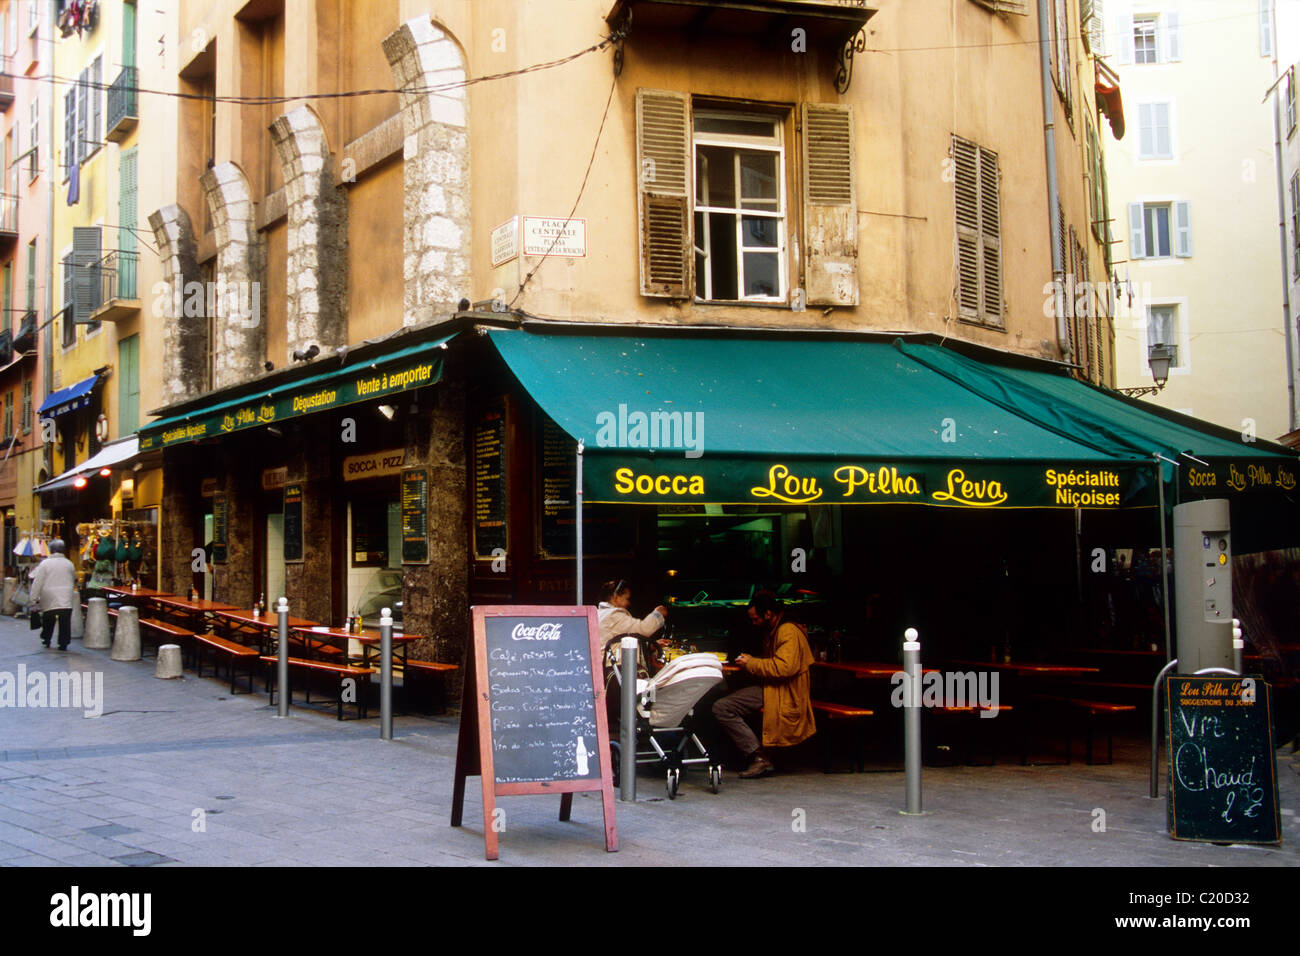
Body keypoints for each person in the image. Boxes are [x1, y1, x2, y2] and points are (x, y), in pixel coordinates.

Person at [712, 589, 816, 778]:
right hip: (772, 689)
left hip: (783, 693)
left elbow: (784, 668)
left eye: (756, 619)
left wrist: (751, 662)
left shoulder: (788, 631)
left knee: (722, 707)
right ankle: (757, 755)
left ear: (768, 614)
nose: (754, 623)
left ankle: (759, 758)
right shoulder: (775, 629)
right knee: (724, 703)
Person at [597, 579, 669, 678]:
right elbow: (644, 629)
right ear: (615, 597)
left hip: (607, 670)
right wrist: (658, 614)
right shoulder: (613, 615)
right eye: (626, 598)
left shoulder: (601, 614)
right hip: (616, 673)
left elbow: (619, 641)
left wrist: (649, 646)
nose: (628, 603)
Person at [30, 539, 78, 651]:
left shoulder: (45, 564)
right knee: (65, 620)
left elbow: (38, 582)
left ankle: (46, 638)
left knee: (48, 618)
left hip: (49, 595)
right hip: (65, 595)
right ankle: (63, 643)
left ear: (51, 550)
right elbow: (74, 578)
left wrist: (33, 599)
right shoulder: (69, 564)